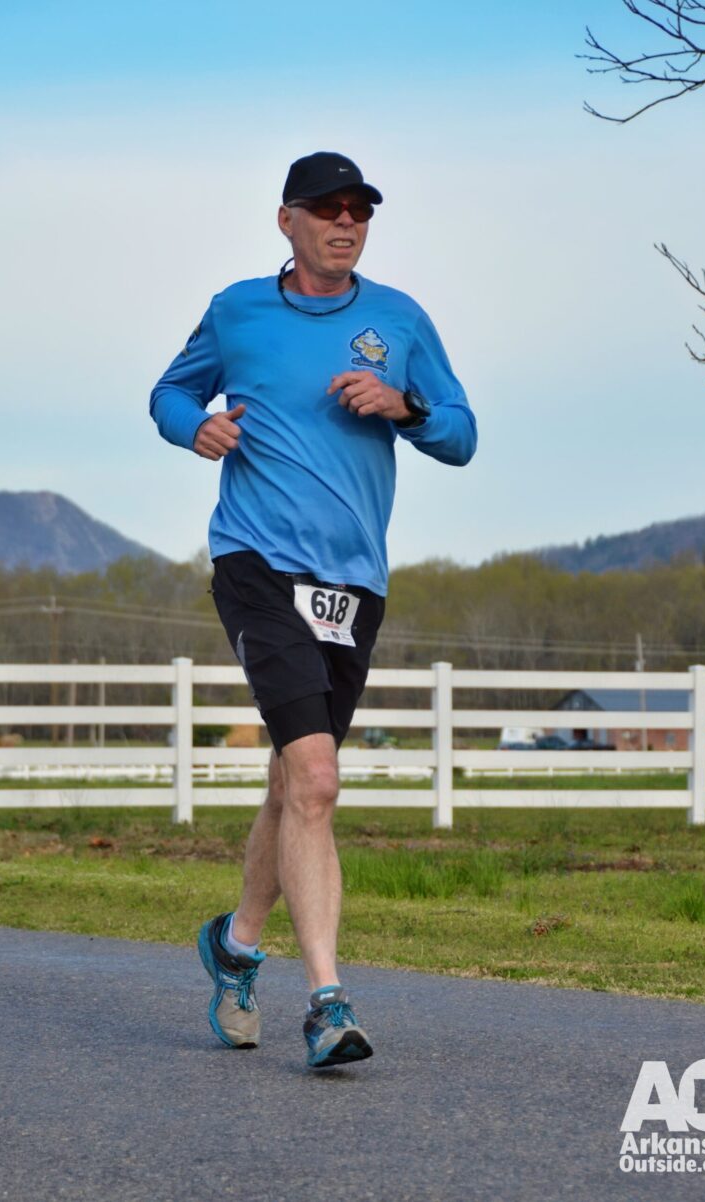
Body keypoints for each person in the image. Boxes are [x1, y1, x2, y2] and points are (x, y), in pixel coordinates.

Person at [149, 151, 477, 1069]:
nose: (346, 223)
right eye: (327, 209)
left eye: (359, 211)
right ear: (286, 220)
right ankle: (327, 1004)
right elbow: (171, 392)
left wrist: (403, 405)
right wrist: (196, 427)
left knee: (298, 784)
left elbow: (462, 432)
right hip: (255, 562)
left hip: (354, 584)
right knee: (321, 779)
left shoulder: (398, 320)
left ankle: (237, 945)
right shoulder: (238, 311)